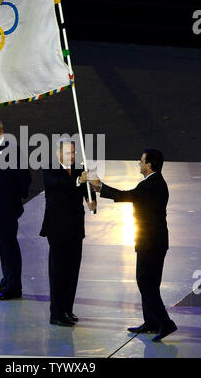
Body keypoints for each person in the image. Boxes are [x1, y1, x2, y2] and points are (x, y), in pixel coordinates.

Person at [79, 148, 177, 342]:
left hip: (150, 244)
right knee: (149, 283)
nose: (139, 164)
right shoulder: (154, 183)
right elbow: (132, 196)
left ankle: (165, 323)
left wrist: (100, 186)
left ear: (149, 165)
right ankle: (150, 322)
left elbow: (127, 195)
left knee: (146, 283)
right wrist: (100, 187)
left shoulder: (150, 185)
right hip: (154, 242)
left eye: (141, 161)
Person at [40, 138, 96, 326]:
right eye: (66, 153)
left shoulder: (81, 171)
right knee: (58, 272)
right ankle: (56, 314)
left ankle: (67, 309)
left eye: (72, 153)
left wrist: (92, 196)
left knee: (72, 270)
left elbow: (89, 197)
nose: (70, 156)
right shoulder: (50, 170)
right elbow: (58, 184)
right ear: (58, 154)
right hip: (56, 229)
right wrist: (79, 180)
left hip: (75, 229)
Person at [0, 117, 31, 300]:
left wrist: (12, 201)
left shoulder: (11, 151)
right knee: (1, 248)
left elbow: (24, 178)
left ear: (1, 132)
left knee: (9, 248)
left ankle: (14, 288)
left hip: (6, 210)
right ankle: (6, 280)